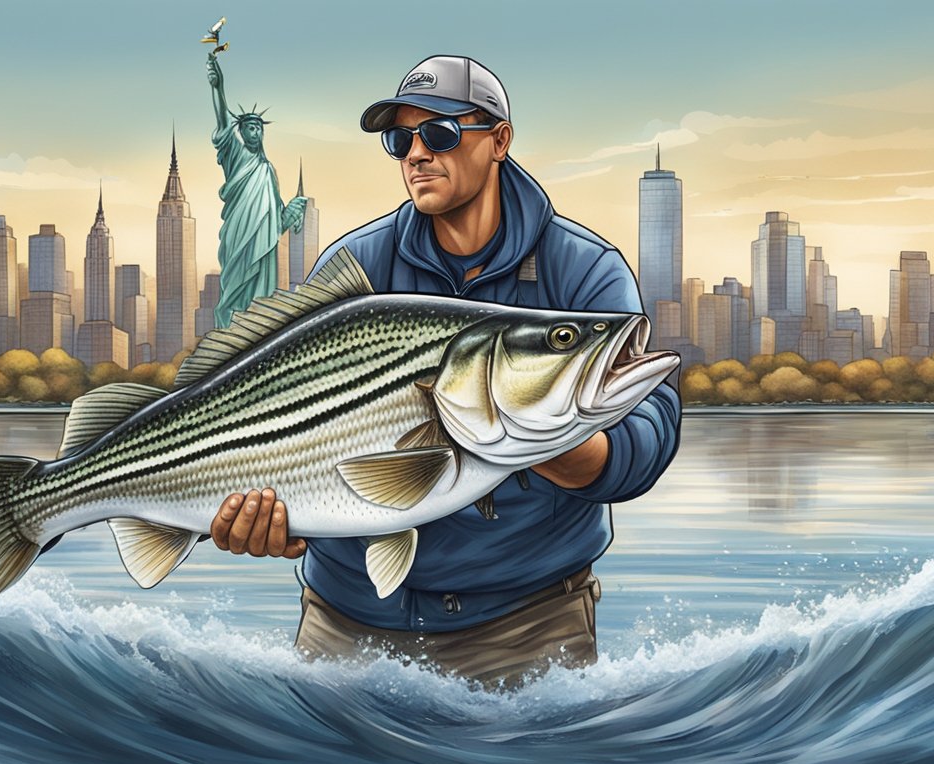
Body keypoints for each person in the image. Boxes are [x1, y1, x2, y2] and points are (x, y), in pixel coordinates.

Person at [208, 55, 681, 686]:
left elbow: (649, 432)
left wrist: (546, 439)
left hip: (527, 627)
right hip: (346, 622)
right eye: (401, 139)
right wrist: (279, 525)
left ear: (499, 141)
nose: (416, 155)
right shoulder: (355, 266)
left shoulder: (584, 269)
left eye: (440, 133)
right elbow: (272, 416)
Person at [206, 53, 308, 328]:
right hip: (239, 237)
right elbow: (223, 124)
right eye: (250, 128)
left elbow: (276, 219)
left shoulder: (268, 170)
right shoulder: (235, 156)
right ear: (242, 132)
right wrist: (218, 88)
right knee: (235, 293)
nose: (255, 133)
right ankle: (228, 338)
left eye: (258, 129)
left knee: (261, 300)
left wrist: (294, 209)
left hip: (264, 245)